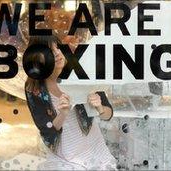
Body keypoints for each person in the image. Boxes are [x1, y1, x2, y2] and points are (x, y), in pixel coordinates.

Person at [24, 35, 117, 170]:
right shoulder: (34, 89)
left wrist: (100, 108)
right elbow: (46, 130)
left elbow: (108, 114)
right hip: (64, 157)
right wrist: (63, 114)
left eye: (58, 47)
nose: (57, 53)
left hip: (95, 150)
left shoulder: (79, 72)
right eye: (49, 51)